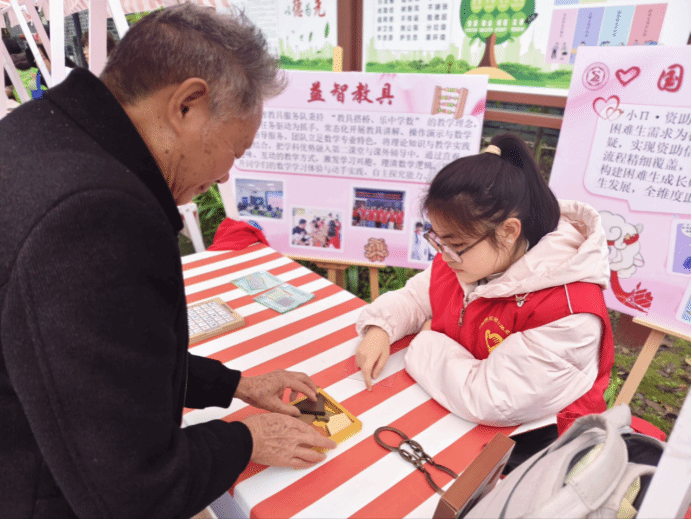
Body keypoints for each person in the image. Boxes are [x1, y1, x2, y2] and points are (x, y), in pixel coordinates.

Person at [0, 5, 335, 518]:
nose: (225, 176)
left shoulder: (40, 132)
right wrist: (246, 439)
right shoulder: (96, 213)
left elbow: (101, 362)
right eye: (237, 150)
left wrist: (234, 385)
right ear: (187, 106)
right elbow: (133, 490)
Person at [355, 134, 613, 473]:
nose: (444, 255)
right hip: (453, 413)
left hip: (534, 453)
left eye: (455, 244)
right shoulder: (472, 260)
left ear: (508, 232)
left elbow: (489, 398)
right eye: (437, 238)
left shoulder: (568, 311)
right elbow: (416, 297)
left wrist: (425, 339)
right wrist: (380, 327)